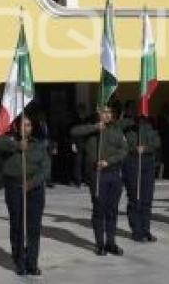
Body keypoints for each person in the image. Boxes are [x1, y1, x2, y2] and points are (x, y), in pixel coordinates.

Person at [0, 115, 50, 276]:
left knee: (34, 228)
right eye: (23, 125)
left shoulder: (39, 145)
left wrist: (32, 183)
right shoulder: (9, 141)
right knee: (17, 226)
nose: (27, 128)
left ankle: (32, 263)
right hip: (14, 188)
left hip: (35, 189)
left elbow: (45, 169)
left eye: (29, 125)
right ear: (17, 127)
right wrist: (17, 145)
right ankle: (19, 262)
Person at [70, 105, 127, 256]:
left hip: (113, 173)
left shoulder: (116, 130)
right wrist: (94, 127)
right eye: (104, 112)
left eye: (109, 112)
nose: (107, 115)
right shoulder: (91, 128)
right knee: (99, 209)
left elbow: (123, 150)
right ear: (98, 114)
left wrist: (110, 161)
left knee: (112, 210)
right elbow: (74, 131)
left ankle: (111, 242)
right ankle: (99, 244)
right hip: (97, 174)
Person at [120, 114, 161, 242]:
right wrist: (134, 148)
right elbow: (121, 143)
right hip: (132, 162)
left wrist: (146, 148)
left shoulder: (150, 127)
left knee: (147, 198)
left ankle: (146, 230)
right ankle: (137, 231)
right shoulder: (127, 127)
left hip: (148, 163)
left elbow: (157, 142)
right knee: (134, 198)